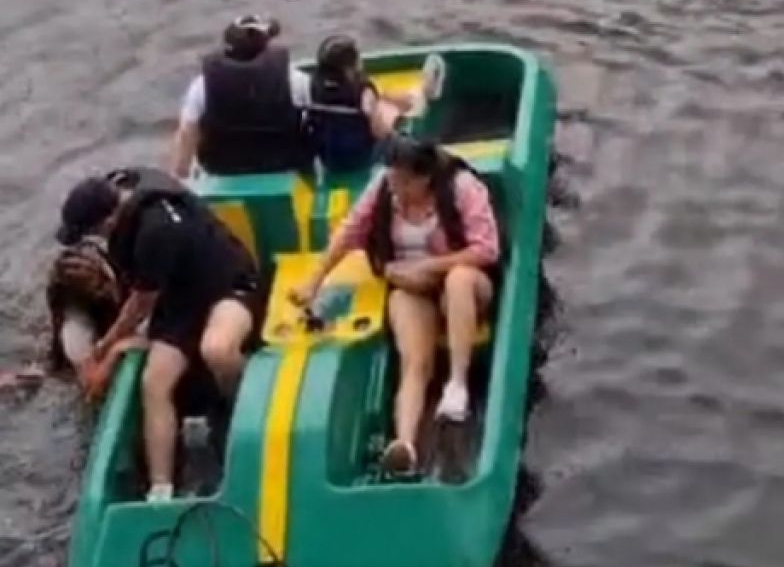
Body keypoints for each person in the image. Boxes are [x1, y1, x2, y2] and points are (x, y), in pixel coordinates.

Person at [289, 136, 499, 474]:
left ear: (424, 178)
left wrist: (428, 266)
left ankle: (457, 387)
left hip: (463, 283)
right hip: (410, 286)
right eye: (391, 178)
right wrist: (314, 281)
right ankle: (405, 443)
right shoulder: (383, 191)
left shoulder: (462, 188)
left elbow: (486, 249)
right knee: (414, 361)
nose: (393, 186)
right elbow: (350, 231)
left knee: (459, 279)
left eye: (401, 180)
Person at [56, 166, 266, 502]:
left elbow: (140, 304)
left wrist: (105, 345)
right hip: (179, 299)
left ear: (107, 221)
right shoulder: (128, 180)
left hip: (228, 285)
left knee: (217, 349)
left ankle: (236, 409)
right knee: (155, 382)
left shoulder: (156, 232)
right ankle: (161, 488)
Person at [168, 15, 314, 178]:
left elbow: (187, 133)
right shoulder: (296, 80)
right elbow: (317, 121)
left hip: (221, 169)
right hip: (285, 166)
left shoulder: (201, 86)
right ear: (266, 45)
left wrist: (179, 174)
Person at [45, 233, 146, 399]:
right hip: (72, 372)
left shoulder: (113, 259)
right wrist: (116, 351)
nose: (109, 287)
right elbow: (91, 387)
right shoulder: (75, 327)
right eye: (103, 285)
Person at [305, 34, 409, 174]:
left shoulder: (315, 85)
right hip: (360, 159)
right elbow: (379, 131)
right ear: (350, 65)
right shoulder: (362, 90)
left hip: (328, 158)